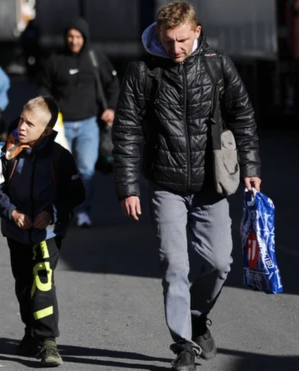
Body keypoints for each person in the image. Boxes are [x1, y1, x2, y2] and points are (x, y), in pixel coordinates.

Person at [112, 2, 261, 370]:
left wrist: (251, 165)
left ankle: (196, 317)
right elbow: (127, 130)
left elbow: (242, 116)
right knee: (175, 266)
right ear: (158, 36)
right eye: (167, 41)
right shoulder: (142, 71)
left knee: (220, 263)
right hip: (166, 183)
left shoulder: (216, 65)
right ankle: (184, 345)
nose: (174, 49)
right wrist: (128, 186)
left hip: (212, 182)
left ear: (197, 31)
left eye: (181, 40)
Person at [0, 97, 84, 367]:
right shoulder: (8, 152)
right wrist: (11, 212)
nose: (21, 126)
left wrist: (51, 214)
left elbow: (76, 194)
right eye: (21, 119)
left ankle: (48, 341)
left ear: (45, 131)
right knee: (24, 284)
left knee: (42, 280)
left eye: (29, 124)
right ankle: (30, 331)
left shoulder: (60, 157)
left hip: (48, 232)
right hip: (17, 230)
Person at [38, 18, 119, 228]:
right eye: (70, 37)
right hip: (61, 126)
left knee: (85, 170)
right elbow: (44, 88)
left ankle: (83, 211)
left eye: (78, 37)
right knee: (59, 170)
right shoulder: (55, 60)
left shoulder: (95, 58)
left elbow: (112, 84)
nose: (74, 41)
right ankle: (59, 210)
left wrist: (110, 108)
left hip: (88, 125)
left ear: (85, 38)